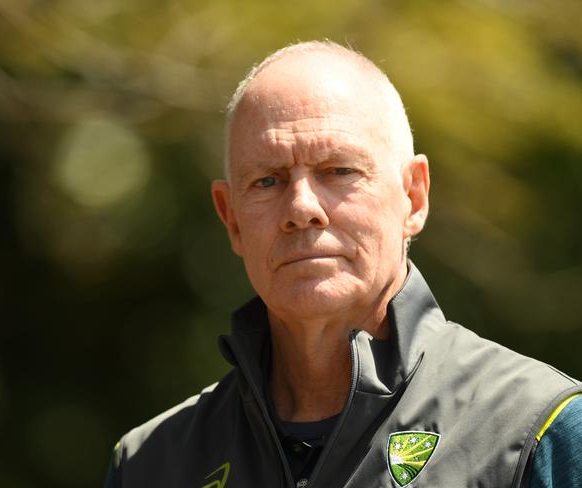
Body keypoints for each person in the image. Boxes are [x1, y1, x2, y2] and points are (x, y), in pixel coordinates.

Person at [104, 41, 582, 487]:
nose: (301, 208)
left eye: (339, 171)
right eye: (268, 181)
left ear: (413, 197)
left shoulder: (537, 429)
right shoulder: (151, 462)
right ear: (231, 220)